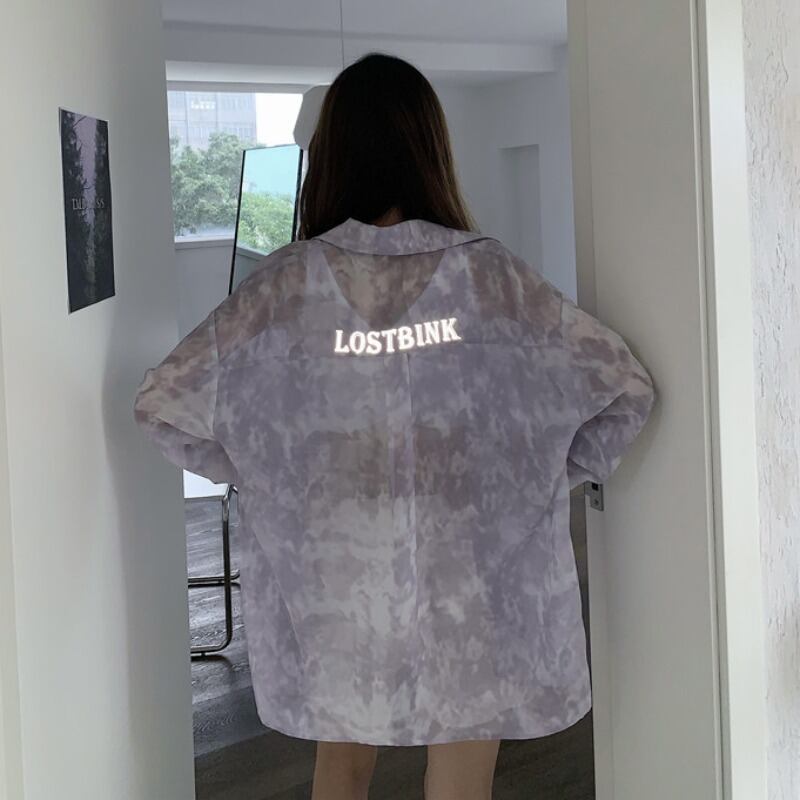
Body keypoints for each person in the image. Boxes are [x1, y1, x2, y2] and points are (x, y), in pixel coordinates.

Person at [133, 52, 655, 800]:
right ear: (430, 149)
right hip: (473, 569)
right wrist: (539, 474)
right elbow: (621, 386)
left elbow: (165, 402)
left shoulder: (283, 287)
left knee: (341, 764)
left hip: (336, 578)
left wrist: (266, 471)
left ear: (330, 155)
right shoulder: (494, 280)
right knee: (463, 773)